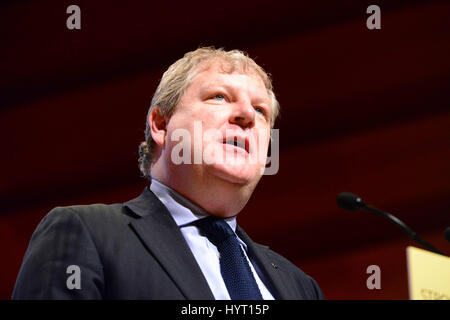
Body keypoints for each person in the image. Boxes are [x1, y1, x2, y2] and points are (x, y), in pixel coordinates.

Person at [12, 47, 324, 300]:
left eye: (260, 110)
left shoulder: (301, 288)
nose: (247, 116)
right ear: (161, 125)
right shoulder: (87, 234)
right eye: (219, 96)